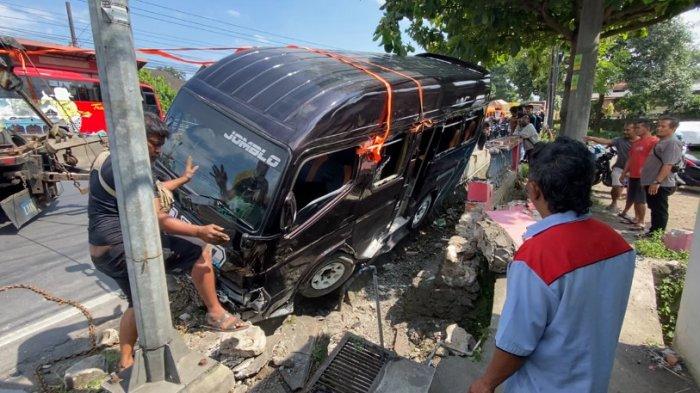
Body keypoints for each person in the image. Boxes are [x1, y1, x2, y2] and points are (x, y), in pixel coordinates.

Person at [468, 137, 635, 393]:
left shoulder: (537, 258)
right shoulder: (618, 245)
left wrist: (486, 382)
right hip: (593, 381)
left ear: (534, 189)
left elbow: (517, 342)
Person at [88, 113, 250, 372]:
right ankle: (216, 314)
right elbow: (159, 219)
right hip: (122, 250)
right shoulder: (135, 170)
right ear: (134, 139)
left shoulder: (106, 158)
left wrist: (184, 179)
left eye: (160, 144)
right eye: (153, 143)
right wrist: (199, 230)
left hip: (101, 253)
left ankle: (126, 363)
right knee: (200, 251)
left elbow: (154, 189)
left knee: (136, 303)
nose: (158, 150)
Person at [641, 116, 683, 235]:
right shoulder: (663, 141)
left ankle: (656, 235)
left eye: (663, 126)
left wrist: (657, 182)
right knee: (654, 208)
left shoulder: (672, 143)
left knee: (659, 209)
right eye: (658, 125)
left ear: (673, 128)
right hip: (652, 181)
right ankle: (653, 232)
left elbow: (668, 165)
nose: (659, 128)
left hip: (660, 183)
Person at [584, 122, 638, 211]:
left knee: (635, 193)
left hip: (635, 170)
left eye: (628, 130)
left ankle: (627, 212)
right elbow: (606, 141)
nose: (625, 132)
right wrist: (592, 138)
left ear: (635, 130)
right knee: (617, 185)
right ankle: (614, 203)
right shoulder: (619, 140)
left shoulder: (641, 142)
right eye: (624, 130)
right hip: (619, 167)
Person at [619, 119, 658, 231]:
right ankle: (636, 219)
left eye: (638, 128)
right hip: (633, 175)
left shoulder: (654, 141)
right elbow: (630, 159)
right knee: (634, 198)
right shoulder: (636, 143)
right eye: (635, 128)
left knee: (641, 199)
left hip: (644, 176)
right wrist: (624, 173)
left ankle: (641, 222)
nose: (636, 130)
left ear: (647, 128)